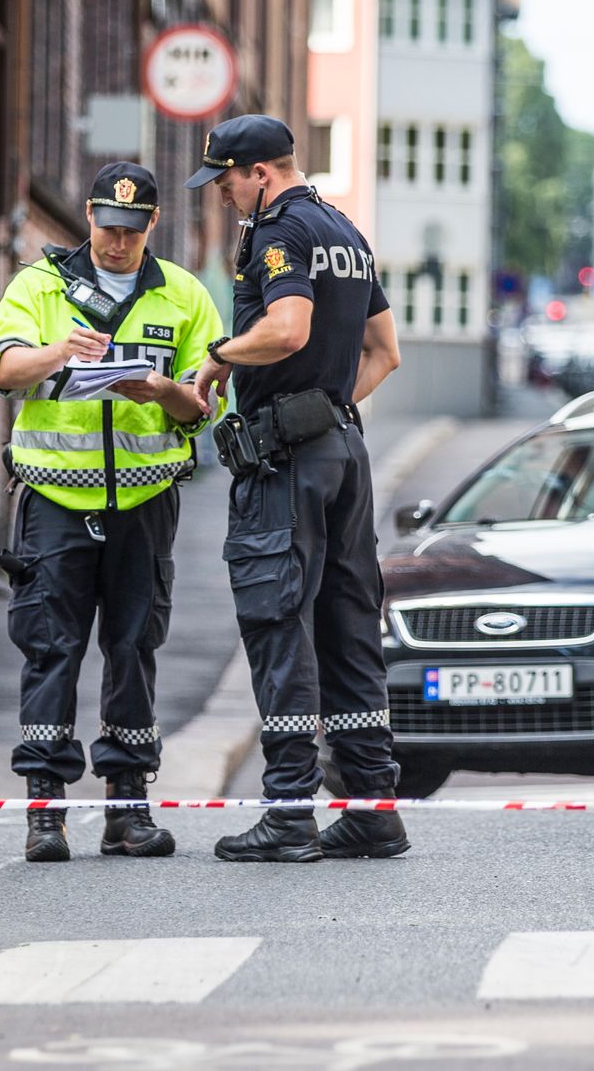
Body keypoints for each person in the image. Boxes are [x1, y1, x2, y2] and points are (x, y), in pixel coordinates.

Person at [184, 115, 407, 862]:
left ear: (260, 173)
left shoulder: (278, 231)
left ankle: (287, 812)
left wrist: (218, 356)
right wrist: (335, 405)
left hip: (288, 458)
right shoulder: (346, 231)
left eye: (225, 181)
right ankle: (373, 807)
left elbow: (287, 329)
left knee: (278, 617)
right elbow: (387, 352)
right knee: (347, 627)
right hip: (343, 452)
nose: (222, 196)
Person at [0, 162, 221, 862]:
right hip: (54, 500)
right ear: (87, 220)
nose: (116, 243)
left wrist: (162, 392)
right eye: (105, 228)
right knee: (50, 650)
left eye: (129, 230)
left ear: (152, 225)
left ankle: (128, 809)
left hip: (144, 504)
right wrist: (58, 352)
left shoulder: (183, 295)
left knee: (133, 648)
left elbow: (205, 404)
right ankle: (45, 814)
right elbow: (2, 368)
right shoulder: (40, 284)